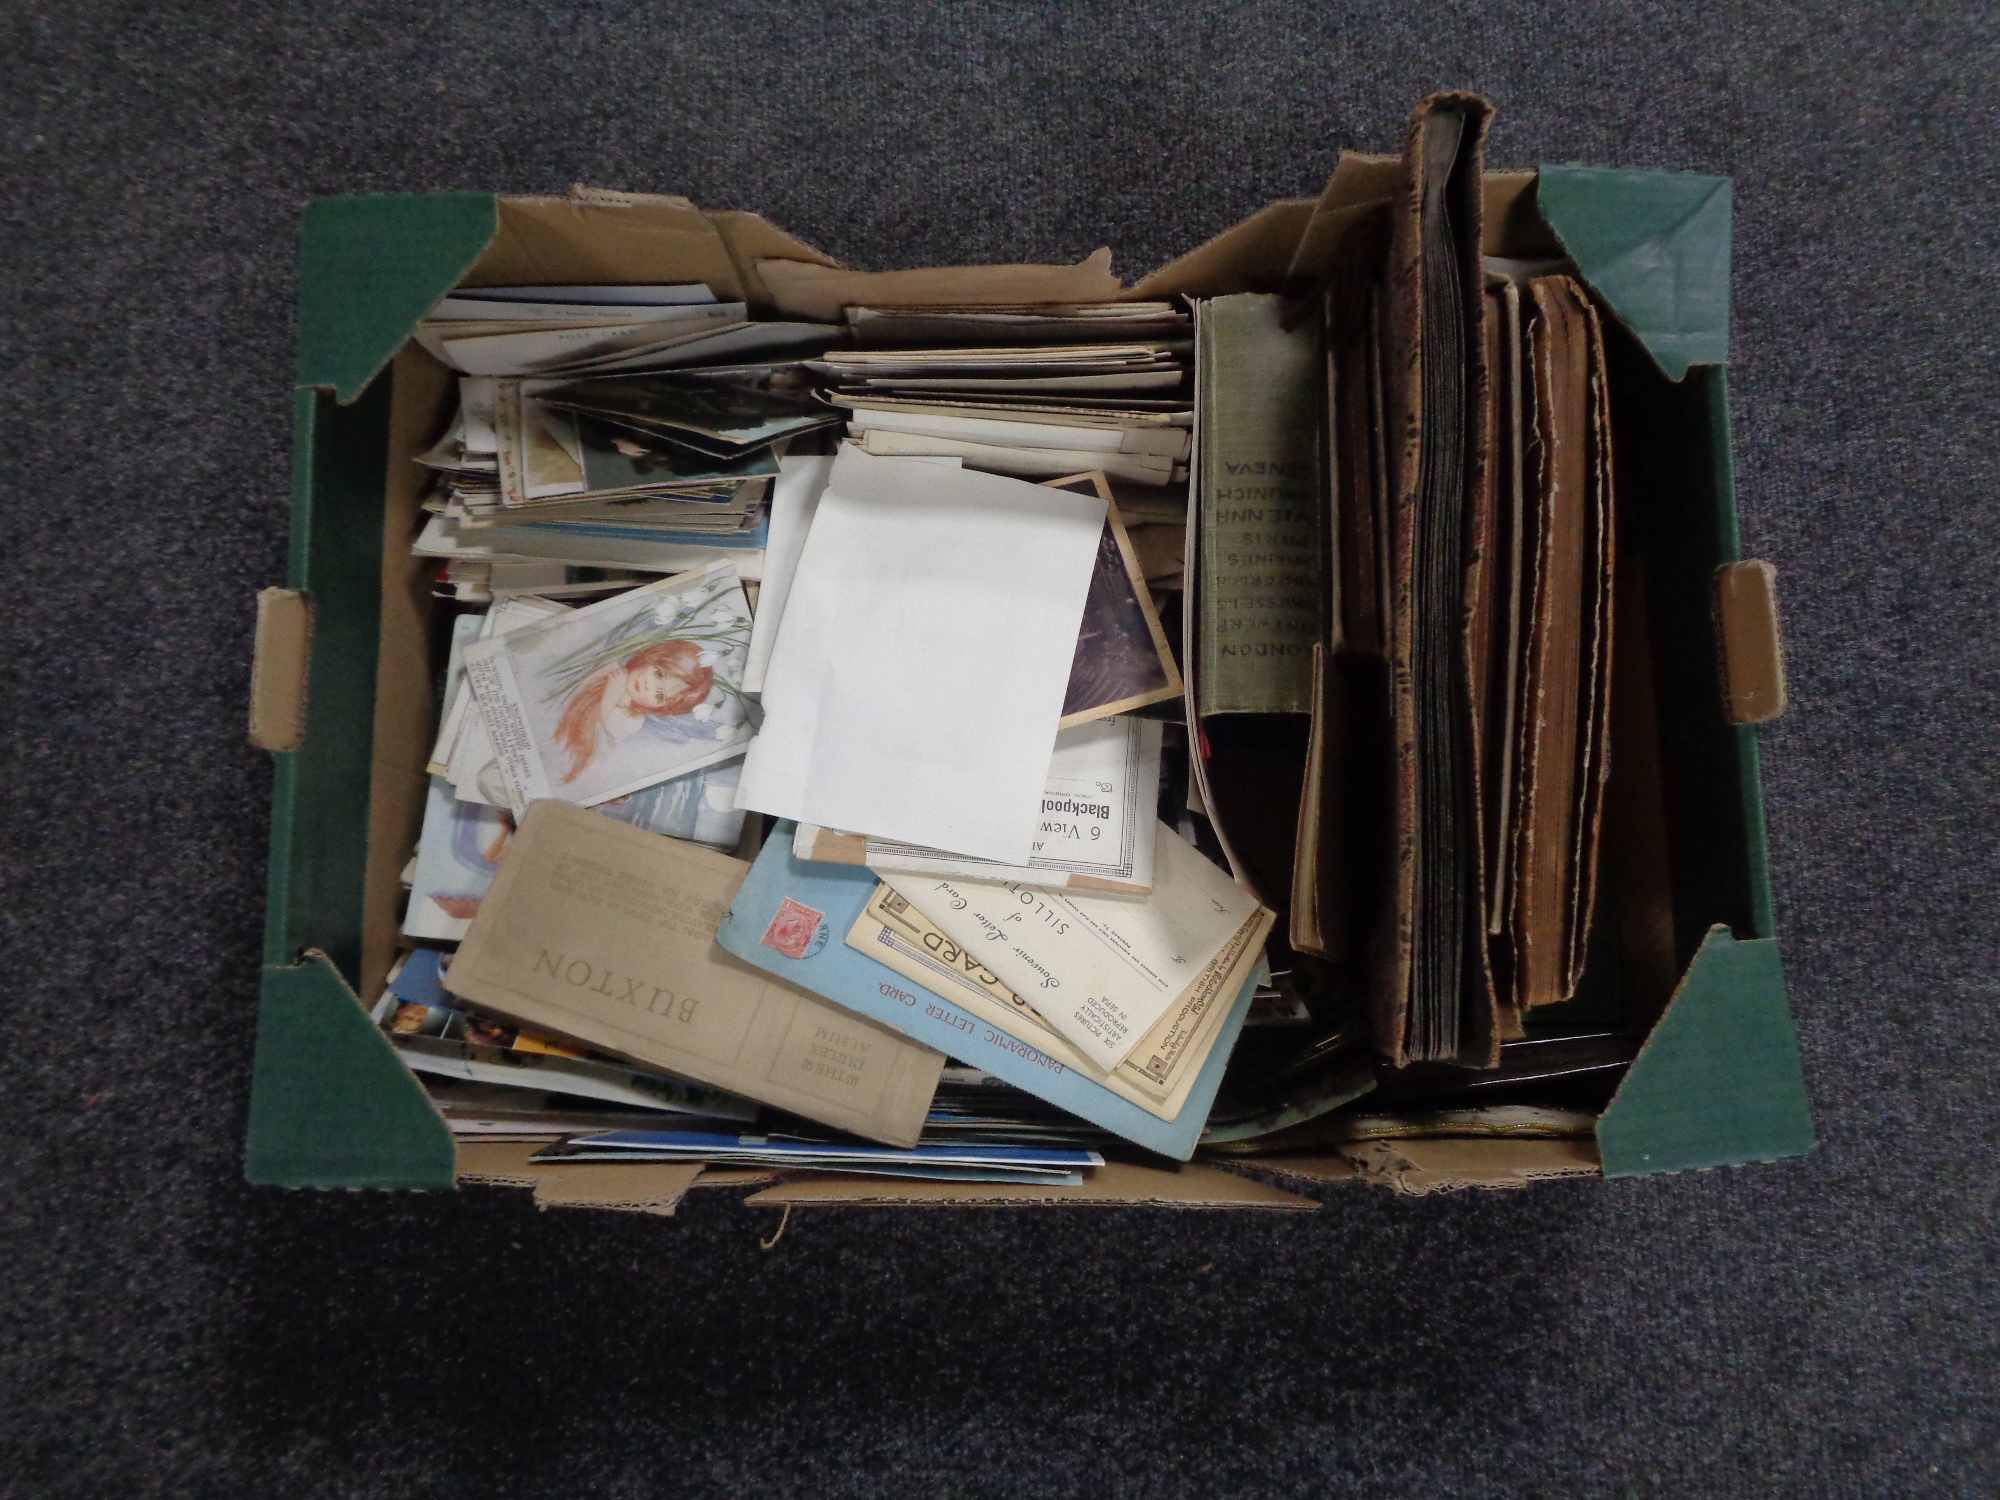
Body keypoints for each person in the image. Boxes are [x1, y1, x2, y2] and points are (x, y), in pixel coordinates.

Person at [552, 639, 714, 783]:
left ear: (662, 708)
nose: (648, 686)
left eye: (659, 695)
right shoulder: (608, 666)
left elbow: (591, 748)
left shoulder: (632, 720)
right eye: (657, 673)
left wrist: (611, 697)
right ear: (651, 658)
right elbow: (565, 701)